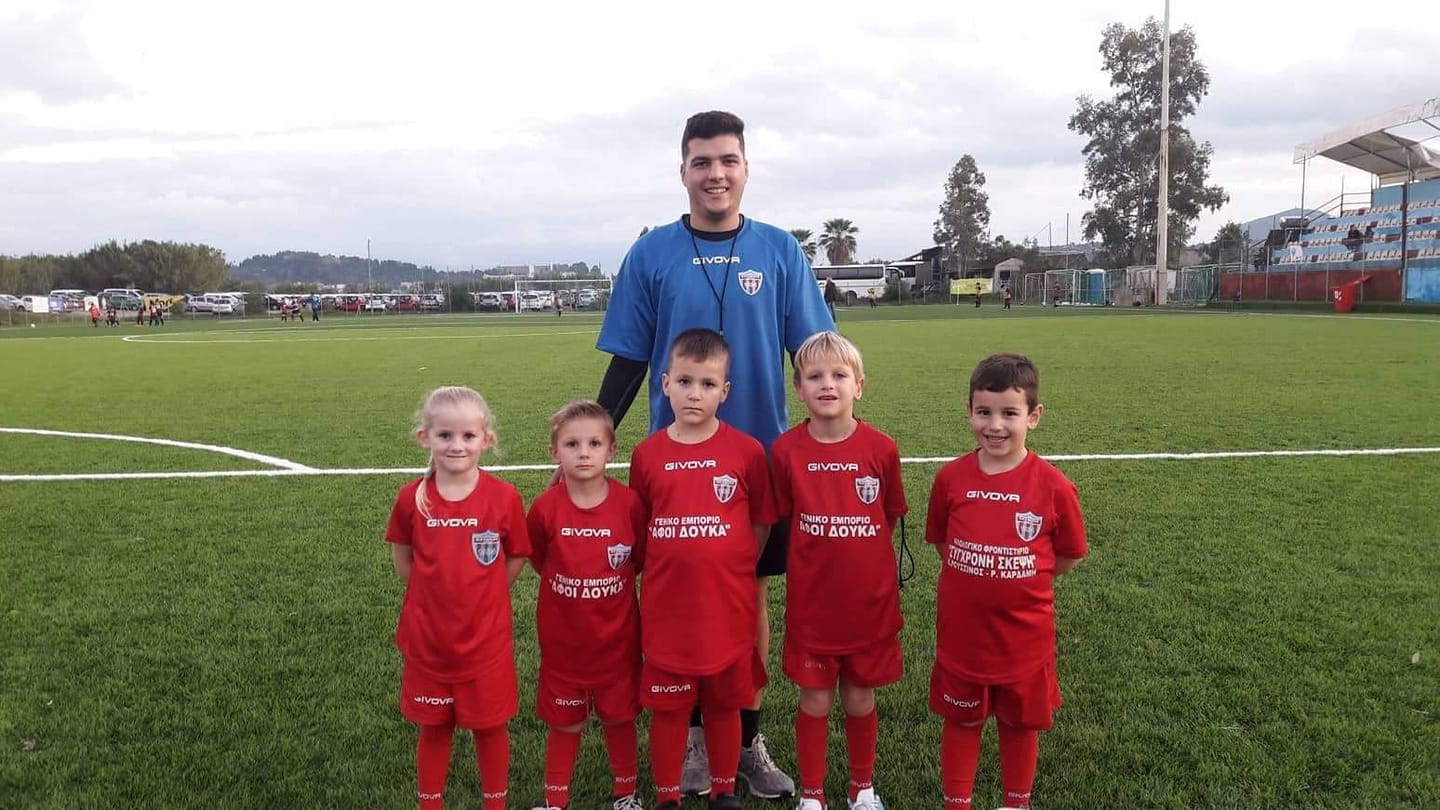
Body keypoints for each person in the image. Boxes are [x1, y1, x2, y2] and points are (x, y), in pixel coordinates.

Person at [593, 110, 832, 799]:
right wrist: (598, 433)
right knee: (679, 596)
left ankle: (746, 740)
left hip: (757, 464)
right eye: (702, 162)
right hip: (675, 464)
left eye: (728, 160)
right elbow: (630, 357)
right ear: (683, 172)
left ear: (746, 169)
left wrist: (835, 441)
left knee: (747, 596)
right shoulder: (651, 254)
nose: (715, 174)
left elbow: (814, 356)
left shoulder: (780, 251)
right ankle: (695, 738)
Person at [925, 354, 1088, 810]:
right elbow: (943, 542)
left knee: (1019, 725)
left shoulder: (1054, 486)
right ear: (969, 411)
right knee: (962, 722)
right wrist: (981, 570)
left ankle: (1016, 802)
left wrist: (1021, 574)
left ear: (1033, 416)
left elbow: (1068, 554)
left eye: (1009, 413)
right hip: (964, 638)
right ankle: (957, 803)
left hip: (1024, 639)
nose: (995, 425)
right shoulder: (951, 478)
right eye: (984, 412)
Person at [627, 329, 778, 810]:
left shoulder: (747, 452)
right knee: (670, 707)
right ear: (665, 384)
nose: (695, 394)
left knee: (723, 702)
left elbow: (760, 522)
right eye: (685, 382)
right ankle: (668, 796)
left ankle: (723, 790)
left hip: (727, 605)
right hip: (668, 606)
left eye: (708, 384)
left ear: (724, 391)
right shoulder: (647, 455)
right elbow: (641, 524)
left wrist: (734, 563)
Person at [770, 332, 906, 810]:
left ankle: (861, 789)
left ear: (859, 386)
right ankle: (812, 795)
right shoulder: (786, 452)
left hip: (868, 605)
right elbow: (783, 516)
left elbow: (888, 516)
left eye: (839, 375)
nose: (827, 384)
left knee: (860, 699)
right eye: (814, 376)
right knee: (814, 700)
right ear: (798, 388)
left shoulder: (881, 449)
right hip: (812, 607)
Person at [384, 386, 530, 810]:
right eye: (445, 435)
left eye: (468, 436)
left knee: (490, 728)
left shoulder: (504, 497)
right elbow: (403, 558)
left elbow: (516, 555)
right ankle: (429, 803)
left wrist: (486, 594)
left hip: (486, 642)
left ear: (487, 439)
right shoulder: (411, 498)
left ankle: (495, 803)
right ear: (425, 437)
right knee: (434, 728)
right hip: (429, 642)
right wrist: (431, 596)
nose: (457, 445)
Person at [527, 400, 648, 810]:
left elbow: (638, 560)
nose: (583, 453)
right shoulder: (545, 508)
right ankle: (555, 800)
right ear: (554, 452)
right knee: (565, 724)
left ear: (611, 450)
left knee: (619, 719)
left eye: (594, 443)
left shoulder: (629, 504)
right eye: (572, 444)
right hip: (564, 647)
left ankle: (625, 794)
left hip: (617, 644)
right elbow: (539, 558)